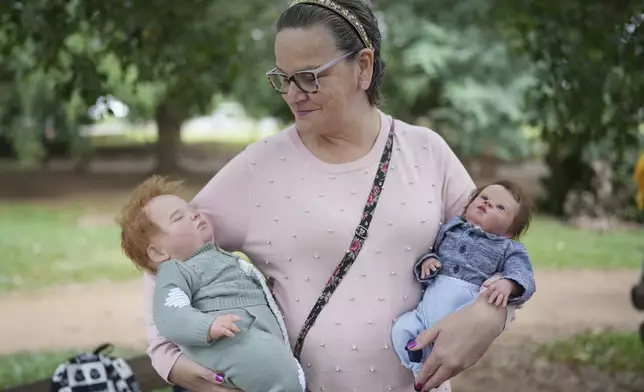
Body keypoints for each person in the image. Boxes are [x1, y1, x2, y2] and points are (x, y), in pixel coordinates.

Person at [142, 0, 517, 391]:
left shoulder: (427, 151)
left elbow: (500, 253)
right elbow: (166, 260)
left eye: (309, 76)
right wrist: (171, 360)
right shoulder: (258, 167)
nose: (292, 94)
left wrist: (492, 317)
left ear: (364, 67)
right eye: (283, 78)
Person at [117, 176, 306, 391]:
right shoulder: (175, 271)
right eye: (179, 218)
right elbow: (170, 315)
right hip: (227, 343)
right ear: (159, 252)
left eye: (191, 210)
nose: (195, 214)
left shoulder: (224, 258)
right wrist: (206, 326)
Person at [392, 181, 536, 377]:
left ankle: (428, 368)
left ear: (510, 232)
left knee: (447, 345)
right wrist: (428, 261)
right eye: (484, 198)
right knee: (401, 329)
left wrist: (508, 283)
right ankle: (418, 369)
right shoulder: (451, 229)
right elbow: (433, 251)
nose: (488, 204)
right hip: (426, 309)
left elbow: (524, 275)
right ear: (468, 206)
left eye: (500, 207)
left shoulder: (508, 248)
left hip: (463, 308)